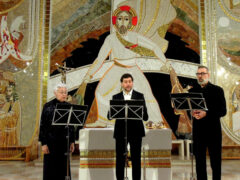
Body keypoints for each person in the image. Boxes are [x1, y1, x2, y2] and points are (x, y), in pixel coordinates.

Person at [77, 4, 171, 127]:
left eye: (126, 19)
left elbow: (154, 47)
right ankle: (103, 121)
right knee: (101, 91)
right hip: (116, 69)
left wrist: (166, 62)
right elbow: (100, 59)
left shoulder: (135, 37)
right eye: (120, 19)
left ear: (130, 22)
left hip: (133, 70)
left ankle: (153, 122)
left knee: (145, 94)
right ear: (116, 21)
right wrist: (89, 74)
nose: (123, 22)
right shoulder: (111, 38)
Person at [189, 65, 227, 180]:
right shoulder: (192, 91)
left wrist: (206, 113)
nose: (200, 76)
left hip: (213, 131)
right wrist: (191, 113)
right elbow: (188, 109)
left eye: (203, 73)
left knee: (215, 162)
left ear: (208, 75)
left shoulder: (217, 90)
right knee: (199, 162)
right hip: (198, 131)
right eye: (198, 74)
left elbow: (223, 111)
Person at [108, 73, 148, 180]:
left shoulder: (140, 96)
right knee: (120, 160)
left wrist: (140, 110)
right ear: (121, 84)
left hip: (136, 132)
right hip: (121, 132)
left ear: (132, 83)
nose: (128, 84)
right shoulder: (116, 97)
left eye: (130, 81)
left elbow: (145, 117)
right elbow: (109, 116)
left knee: (136, 159)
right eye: (125, 82)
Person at [39, 83, 75, 180]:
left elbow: (71, 126)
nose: (64, 94)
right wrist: (44, 143)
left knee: (64, 169)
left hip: (64, 142)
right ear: (55, 93)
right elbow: (43, 126)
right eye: (61, 92)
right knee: (50, 169)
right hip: (51, 142)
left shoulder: (69, 106)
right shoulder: (48, 106)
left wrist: (72, 141)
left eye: (65, 92)